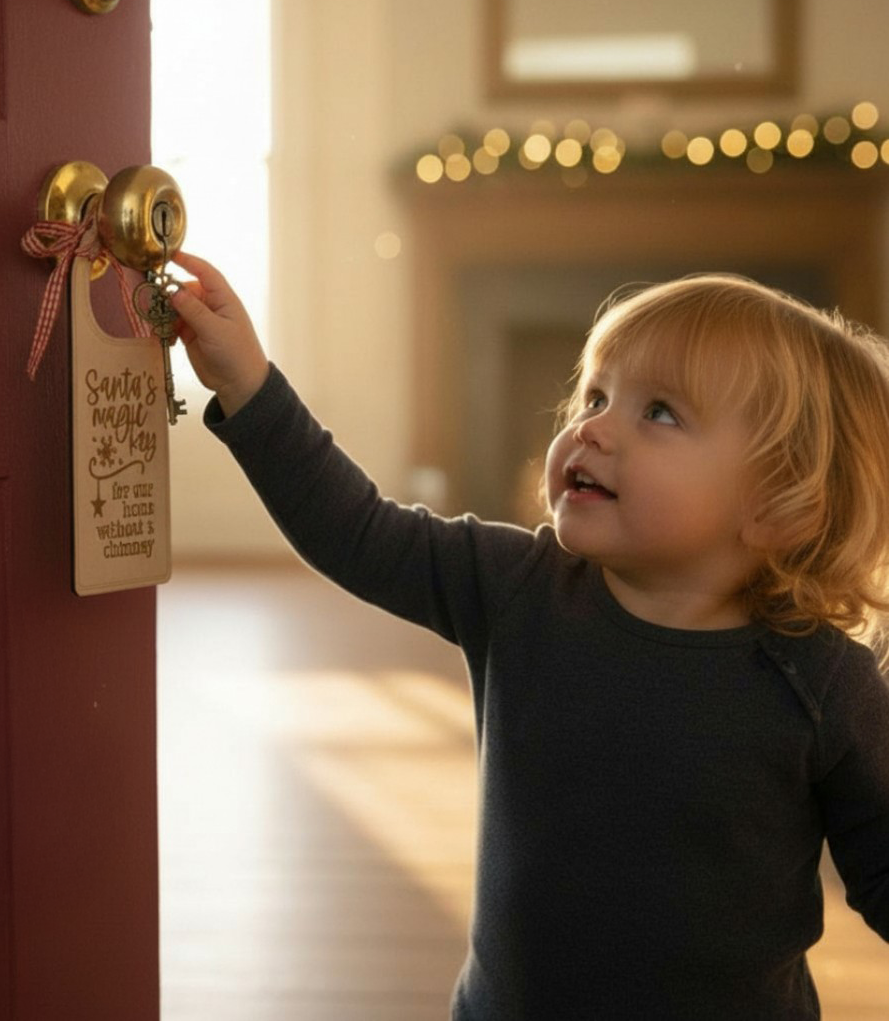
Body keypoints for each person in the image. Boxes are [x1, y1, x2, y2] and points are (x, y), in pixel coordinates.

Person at [169, 253, 889, 1021]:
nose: (593, 427)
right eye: (597, 395)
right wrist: (248, 384)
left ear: (781, 505)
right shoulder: (519, 588)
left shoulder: (821, 682)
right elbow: (357, 532)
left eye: (660, 413)